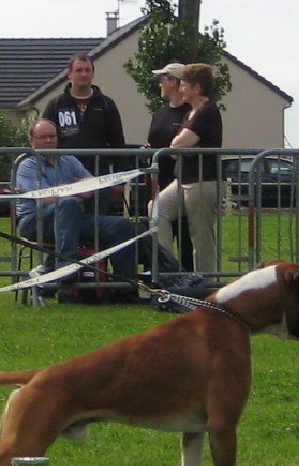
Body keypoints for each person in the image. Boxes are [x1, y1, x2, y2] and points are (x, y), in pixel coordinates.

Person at [15, 119, 138, 303]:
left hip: (73, 219)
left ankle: (126, 288)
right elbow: (42, 198)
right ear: (31, 141)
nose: (48, 140)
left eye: (52, 136)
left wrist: (62, 190)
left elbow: (92, 187)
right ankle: (67, 267)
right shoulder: (27, 165)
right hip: (35, 222)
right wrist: (74, 189)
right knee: (68, 204)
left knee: (121, 225)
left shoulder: (69, 160)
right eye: (43, 137)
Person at [153, 63, 223, 277]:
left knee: (200, 235)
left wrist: (183, 147)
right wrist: (183, 147)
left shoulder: (207, 111)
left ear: (197, 87)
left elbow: (179, 144)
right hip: (183, 179)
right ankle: (169, 271)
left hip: (202, 181)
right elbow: (178, 146)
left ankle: (204, 282)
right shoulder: (190, 114)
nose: (180, 88)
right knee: (156, 210)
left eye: (184, 85)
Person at [42, 54, 127, 214]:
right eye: (79, 70)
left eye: (87, 70)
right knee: (67, 223)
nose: (83, 74)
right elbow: (44, 139)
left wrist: (119, 180)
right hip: (64, 179)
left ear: (93, 73)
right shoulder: (55, 105)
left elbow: (118, 143)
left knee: (96, 229)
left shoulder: (107, 104)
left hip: (98, 178)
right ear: (69, 74)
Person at [146, 62, 193, 270]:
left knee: (186, 236)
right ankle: (165, 273)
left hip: (184, 181)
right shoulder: (159, 114)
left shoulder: (191, 113)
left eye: (162, 79)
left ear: (173, 82)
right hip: (159, 181)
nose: (160, 84)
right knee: (159, 228)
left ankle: (189, 278)